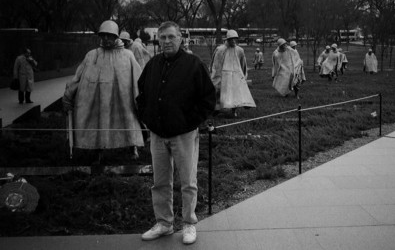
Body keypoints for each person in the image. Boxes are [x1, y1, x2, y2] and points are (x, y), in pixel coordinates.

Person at [137, 21, 216, 245]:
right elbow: (141, 92)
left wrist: (190, 121)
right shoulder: (152, 64)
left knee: (188, 181)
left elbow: (208, 98)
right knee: (160, 181)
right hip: (158, 134)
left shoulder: (193, 64)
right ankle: (164, 222)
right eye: (162, 38)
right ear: (158, 40)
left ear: (181, 38)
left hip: (184, 134)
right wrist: (147, 116)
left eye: (171, 37)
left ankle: (189, 224)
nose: (166, 41)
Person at [62, 20, 144, 162]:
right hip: (100, 100)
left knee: (128, 120)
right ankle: (98, 151)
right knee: (100, 123)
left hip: (123, 100)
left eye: (109, 35)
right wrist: (68, 96)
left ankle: (133, 148)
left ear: (116, 36)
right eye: (103, 35)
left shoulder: (127, 55)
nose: (106, 38)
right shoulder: (92, 55)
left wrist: (142, 98)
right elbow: (78, 77)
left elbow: (139, 78)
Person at [210, 30, 256, 117]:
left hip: (236, 75)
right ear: (227, 39)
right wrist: (216, 76)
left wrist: (242, 75)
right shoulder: (220, 50)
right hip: (224, 75)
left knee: (235, 94)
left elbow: (243, 63)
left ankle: (233, 111)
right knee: (219, 93)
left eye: (235, 39)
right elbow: (216, 64)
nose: (233, 41)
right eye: (231, 39)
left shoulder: (240, 50)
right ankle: (216, 109)